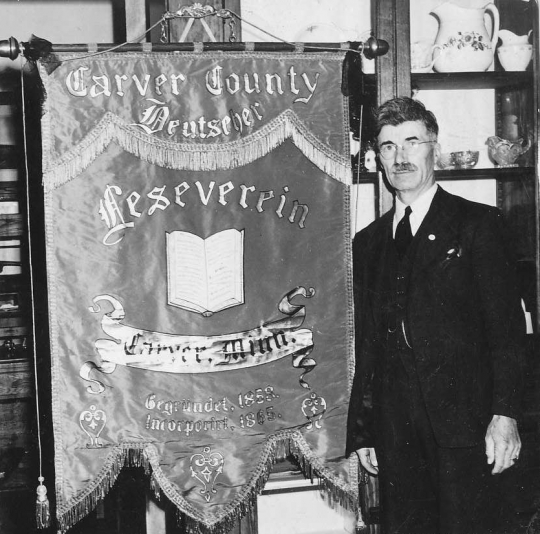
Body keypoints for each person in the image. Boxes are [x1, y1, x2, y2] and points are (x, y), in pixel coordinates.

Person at [346, 97, 527, 534]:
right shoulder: (368, 243)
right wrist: (365, 429)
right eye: (388, 146)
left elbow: (508, 332)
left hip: (467, 428)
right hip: (395, 431)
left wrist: (506, 417)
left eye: (412, 141)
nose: (400, 156)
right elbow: (368, 343)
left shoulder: (478, 224)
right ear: (377, 159)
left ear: (434, 148)